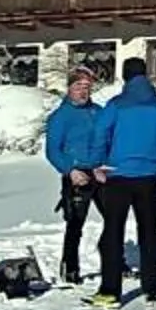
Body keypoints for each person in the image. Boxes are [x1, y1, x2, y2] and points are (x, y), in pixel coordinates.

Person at [90, 57, 156, 307]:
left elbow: (100, 134)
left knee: (113, 233)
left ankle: (110, 291)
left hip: (118, 175)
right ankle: (152, 288)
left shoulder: (116, 105)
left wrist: (98, 164)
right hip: (148, 176)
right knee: (148, 233)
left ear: (125, 76)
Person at [42, 61, 106, 284]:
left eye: (87, 87)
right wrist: (70, 170)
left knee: (114, 219)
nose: (83, 91)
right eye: (79, 86)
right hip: (77, 174)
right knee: (75, 224)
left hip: (100, 172)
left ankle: (115, 260)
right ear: (69, 88)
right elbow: (52, 150)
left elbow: (108, 140)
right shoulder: (60, 116)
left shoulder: (98, 112)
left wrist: (104, 164)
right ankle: (70, 268)